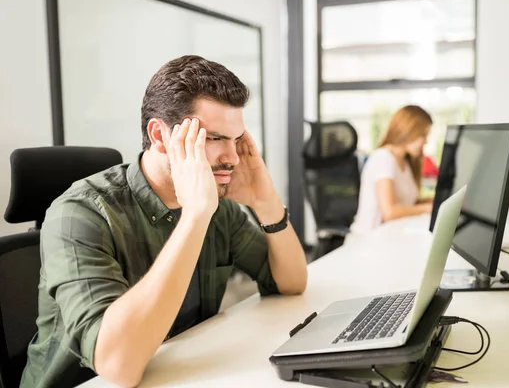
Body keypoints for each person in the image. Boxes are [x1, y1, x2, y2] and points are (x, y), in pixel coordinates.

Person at [20, 55, 308, 388]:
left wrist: (265, 202)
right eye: (214, 139)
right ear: (159, 135)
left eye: (236, 139)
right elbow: (118, 366)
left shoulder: (220, 206)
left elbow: (291, 282)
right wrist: (195, 215)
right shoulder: (79, 215)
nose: (231, 157)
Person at [350, 105, 433, 235]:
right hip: (369, 239)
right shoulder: (383, 158)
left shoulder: (404, 161)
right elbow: (389, 212)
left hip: (391, 234)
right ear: (408, 130)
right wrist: (426, 208)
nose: (426, 141)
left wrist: (433, 201)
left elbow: (408, 203)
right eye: (423, 135)